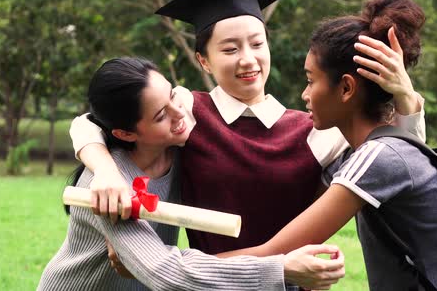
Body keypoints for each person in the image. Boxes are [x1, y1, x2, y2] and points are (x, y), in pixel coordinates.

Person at [69, 0, 425, 256]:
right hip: (210, 283)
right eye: (229, 49)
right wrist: (105, 171)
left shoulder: (317, 130)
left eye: (257, 43)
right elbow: (89, 125)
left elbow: (401, 163)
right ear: (203, 61)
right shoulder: (189, 110)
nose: (247, 59)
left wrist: (406, 97)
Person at [220, 0, 437, 290]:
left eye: (310, 80)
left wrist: (170, 265)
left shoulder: (380, 158)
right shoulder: (365, 155)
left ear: (345, 88)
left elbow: (274, 253)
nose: (305, 95)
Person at [38, 57, 345, 291]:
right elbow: (164, 273)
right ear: (125, 133)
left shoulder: (180, 143)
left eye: (172, 96)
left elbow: (85, 123)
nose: (179, 114)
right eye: (161, 116)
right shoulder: (109, 191)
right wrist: (279, 269)